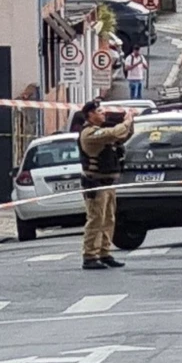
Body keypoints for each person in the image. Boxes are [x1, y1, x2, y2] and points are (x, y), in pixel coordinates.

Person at [78, 99, 135, 270]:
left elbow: (123, 136)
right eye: (100, 111)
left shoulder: (102, 132)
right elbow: (116, 133)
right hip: (96, 183)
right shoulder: (89, 134)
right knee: (96, 219)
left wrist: (130, 123)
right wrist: (127, 121)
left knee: (109, 219)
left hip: (108, 183)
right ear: (90, 114)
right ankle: (90, 255)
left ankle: (104, 252)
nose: (103, 114)